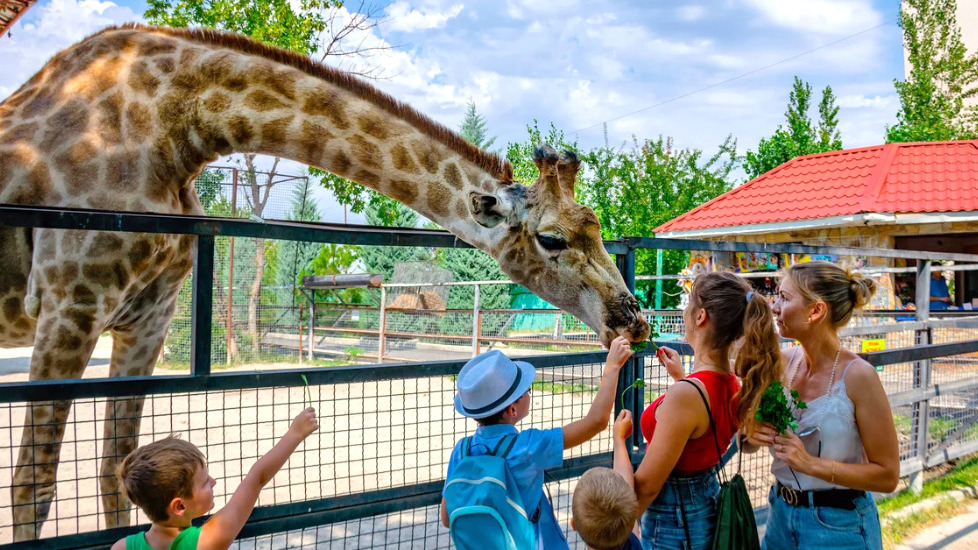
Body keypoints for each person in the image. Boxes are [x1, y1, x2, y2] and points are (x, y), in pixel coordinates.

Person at [746, 261, 899, 550]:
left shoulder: (858, 376)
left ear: (816, 311)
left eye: (784, 297)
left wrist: (811, 464)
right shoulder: (781, 363)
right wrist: (751, 436)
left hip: (838, 528)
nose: (774, 306)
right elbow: (749, 440)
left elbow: (888, 476)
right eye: (777, 295)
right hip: (779, 517)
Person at [633, 272, 782, 550]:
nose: (686, 312)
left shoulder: (688, 394)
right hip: (704, 505)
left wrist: (614, 531)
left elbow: (647, 486)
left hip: (674, 521)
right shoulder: (732, 383)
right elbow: (702, 427)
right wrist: (681, 378)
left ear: (700, 316)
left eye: (689, 305)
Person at [440, 338, 634, 549]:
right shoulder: (529, 446)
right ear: (512, 409)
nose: (528, 393)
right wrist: (612, 366)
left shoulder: (461, 451)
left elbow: (446, 517)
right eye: (526, 390)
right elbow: (595, 422)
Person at [111, 408, 319, 550]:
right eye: (204, 482)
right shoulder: (207, 541)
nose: (213, 481)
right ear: (179, 506)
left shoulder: (121, 547)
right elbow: (256, 479)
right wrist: (295, 433)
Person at [571, 409, 642, 550]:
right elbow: (626, 482)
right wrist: (619, 440)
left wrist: (619, 440)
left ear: (574, 525)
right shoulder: (632, 543)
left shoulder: (630, 535)